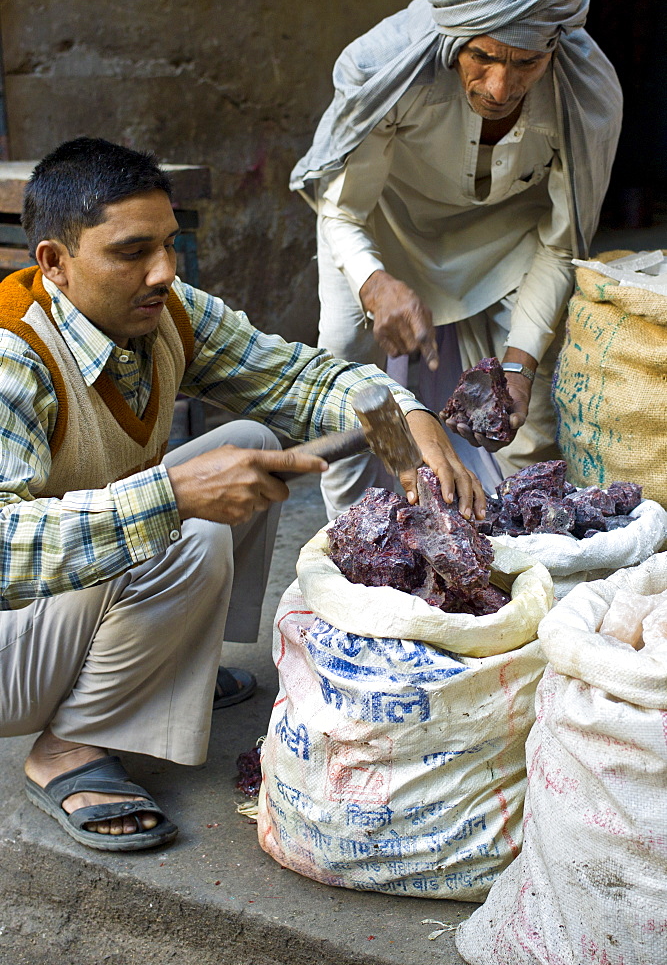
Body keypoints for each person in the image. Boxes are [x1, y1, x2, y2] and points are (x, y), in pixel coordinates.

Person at [0, 137, 483, 852]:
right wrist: (169, 496)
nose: (162, 272)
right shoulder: (11, 357)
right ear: (54, 263)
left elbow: (297, 379)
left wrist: (402, 417)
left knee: (254, 442)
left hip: (63, 606)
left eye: (167, 244)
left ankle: (169, 667)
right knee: (188, 528)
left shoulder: (164, 310)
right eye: (132, 252)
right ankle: (70, 747)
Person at [290, 0, 622, 519]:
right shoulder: (388, 69)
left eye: (526, 64)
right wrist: (374, 283)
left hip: (509, 240)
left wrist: (519, 367)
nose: (500, 87)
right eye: (483, 57)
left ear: (553, 51)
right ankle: (351, 532)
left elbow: (563, 245)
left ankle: (522, 547)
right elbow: (344, 211)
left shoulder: (582, 95)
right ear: (454, 42)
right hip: (380, 227)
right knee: (347, 365)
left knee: (530, 417)